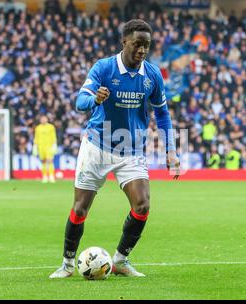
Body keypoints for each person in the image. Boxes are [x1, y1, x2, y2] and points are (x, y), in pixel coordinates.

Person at [49, 19, 180, 279]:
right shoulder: (105, 68)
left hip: (131, 151)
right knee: (79, 209)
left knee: (142, 205)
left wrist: (171, 150)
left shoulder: (152, 75)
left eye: (147, 45)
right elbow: (80, 101)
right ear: (124, 42)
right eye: (137, 44)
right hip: (97, 147)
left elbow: (162, 114)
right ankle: (66, 264)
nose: (142, 50)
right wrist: (94, 98)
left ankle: (121, 259)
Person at [33, 115, 57, 183]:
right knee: (43, 161)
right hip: (41, 147)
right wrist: (35, 146)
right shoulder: (37, 128)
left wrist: (54, 144)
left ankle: (51, 176)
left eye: (44, 119)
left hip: (49, 146)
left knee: (50, 161)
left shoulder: (51, 127)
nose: (43, 120)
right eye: (42, 119)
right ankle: (45, 177)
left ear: (47, 119)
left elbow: (53, 136)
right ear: (40, 120)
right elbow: (36, 137)